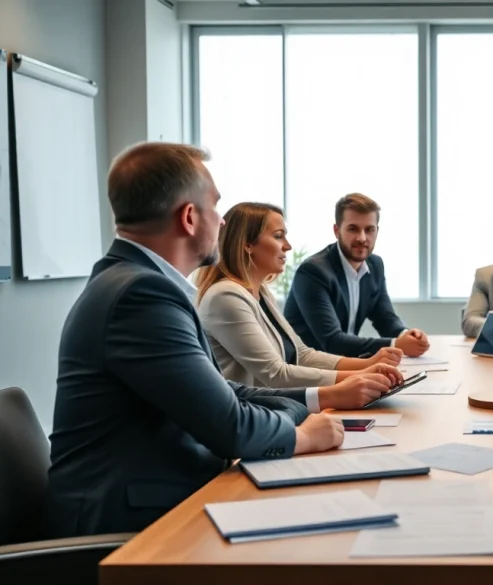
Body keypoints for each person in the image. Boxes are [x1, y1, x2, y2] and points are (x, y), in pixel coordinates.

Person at [43, 143, 393, 538]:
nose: (224, 223)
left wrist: (310, 403)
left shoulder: (136, 282)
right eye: (216, 208)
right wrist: (300, 436)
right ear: (190, 217)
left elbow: (224, 392)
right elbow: (230, 426)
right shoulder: (140, 296)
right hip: (132, 521)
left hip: (162, 491)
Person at [195, 202, 405, 392]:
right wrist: (359, 376)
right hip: (252, 417)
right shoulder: (226, 296)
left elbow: (302, 355)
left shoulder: (261, 292)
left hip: (276, 407)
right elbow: (275, 375)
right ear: (247, 244)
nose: (288, 245)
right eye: (278, 236)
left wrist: (369, 365)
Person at [284, 193, 429, 358]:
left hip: (344, 364)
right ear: (336, 230)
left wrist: (406, 335)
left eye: (369, 230)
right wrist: (395, 344)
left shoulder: (375, 265)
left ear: (377, 231)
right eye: (353, 229)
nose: (362, 238)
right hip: (309, 369)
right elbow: (332, 341)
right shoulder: (313, 272)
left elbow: (385, 318)